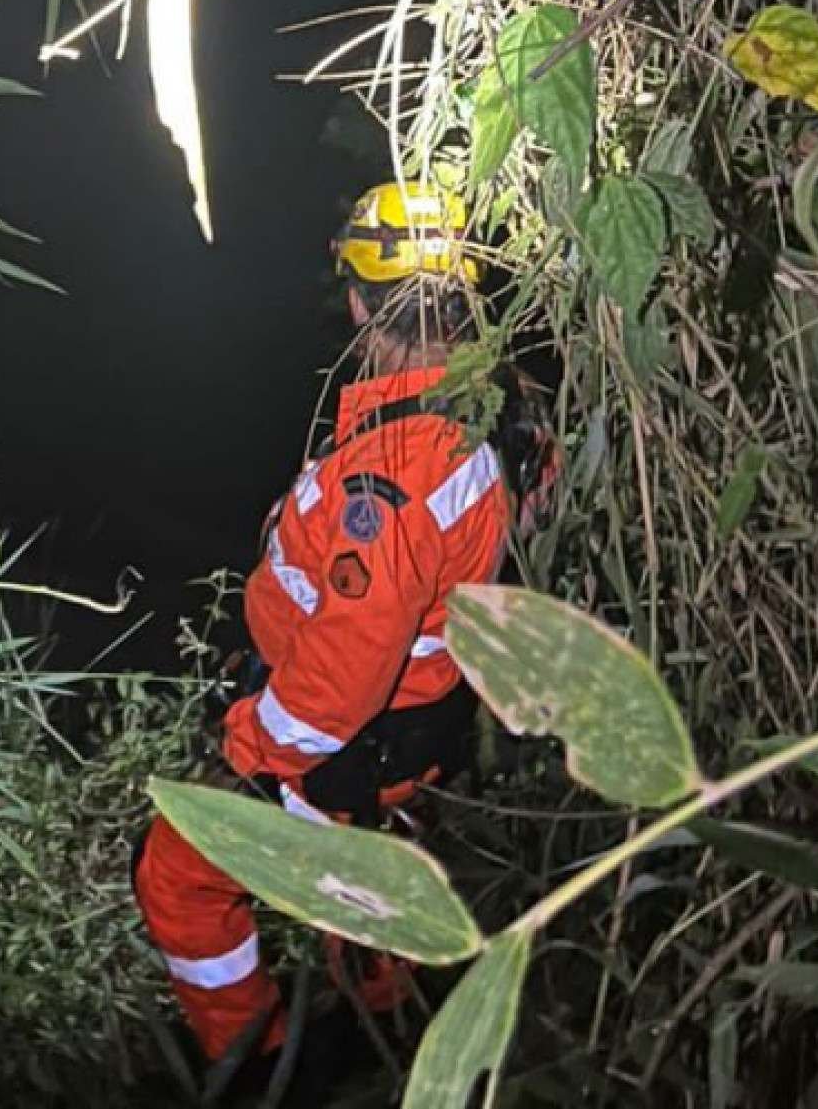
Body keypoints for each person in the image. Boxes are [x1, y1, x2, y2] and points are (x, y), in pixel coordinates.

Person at [134, 181, 549, 1069]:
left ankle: (248, 1059)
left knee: (178, 875)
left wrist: (247, 752)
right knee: (365, 904)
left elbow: (342, 677)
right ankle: (390, 1030)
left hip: (351, 744)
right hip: (414, 731)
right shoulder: (502, 406)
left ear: (360, 303)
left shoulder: (394, 475)